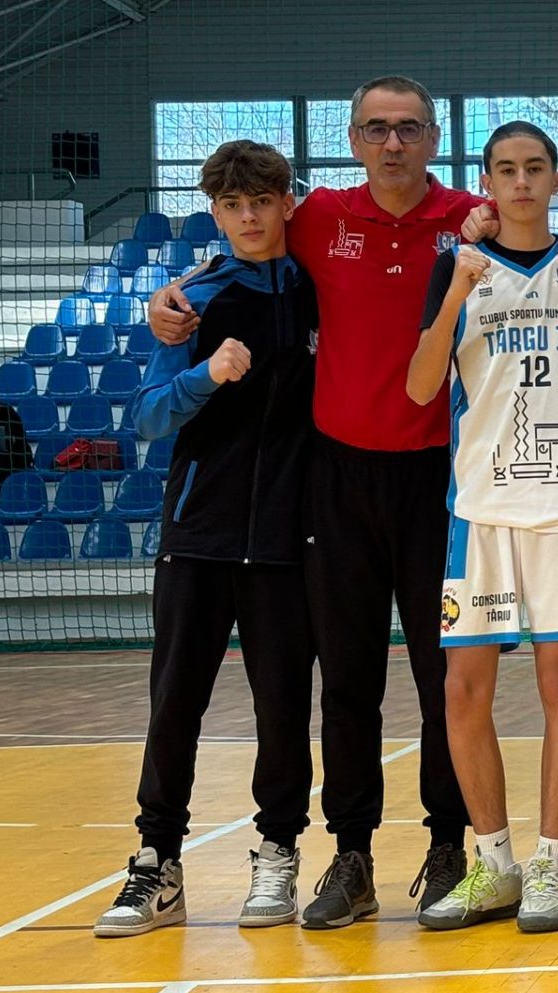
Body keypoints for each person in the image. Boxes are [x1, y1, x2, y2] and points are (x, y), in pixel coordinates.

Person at [147, 76, 558, 926]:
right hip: (338, 478)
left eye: (408, 128)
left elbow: (546, 227)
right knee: (348, 678)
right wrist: (173, 295)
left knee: (445, 679)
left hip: (439, 479)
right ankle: (351, 854)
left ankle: (451, 846)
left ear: (432, 138)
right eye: (376, 129)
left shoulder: (471, 216)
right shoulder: (320, 216)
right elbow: (245, 245)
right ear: (355, 140)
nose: (392, 142)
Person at [401, 121, 558, 935]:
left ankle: (550, 864)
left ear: (556, 179)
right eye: (506, 169)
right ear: (487, 181)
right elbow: (421, 387)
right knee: (463, 689)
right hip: (482, 511)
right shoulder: (455, 267)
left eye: (535, 168)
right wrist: (457, 291)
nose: (521, 181)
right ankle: (493, 864)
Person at [93, 140, 317, 937]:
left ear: (288, 202)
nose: (249, 217)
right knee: (175, 706)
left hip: (290, 539)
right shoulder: (192, 300)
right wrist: (205, 373)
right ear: (216, 213)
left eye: (261, 201)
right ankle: (157, 863)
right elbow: (149, 417)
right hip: (196, 534)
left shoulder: (321, 291)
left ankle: (278, 852)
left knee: (283, 708)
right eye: (232, 205)